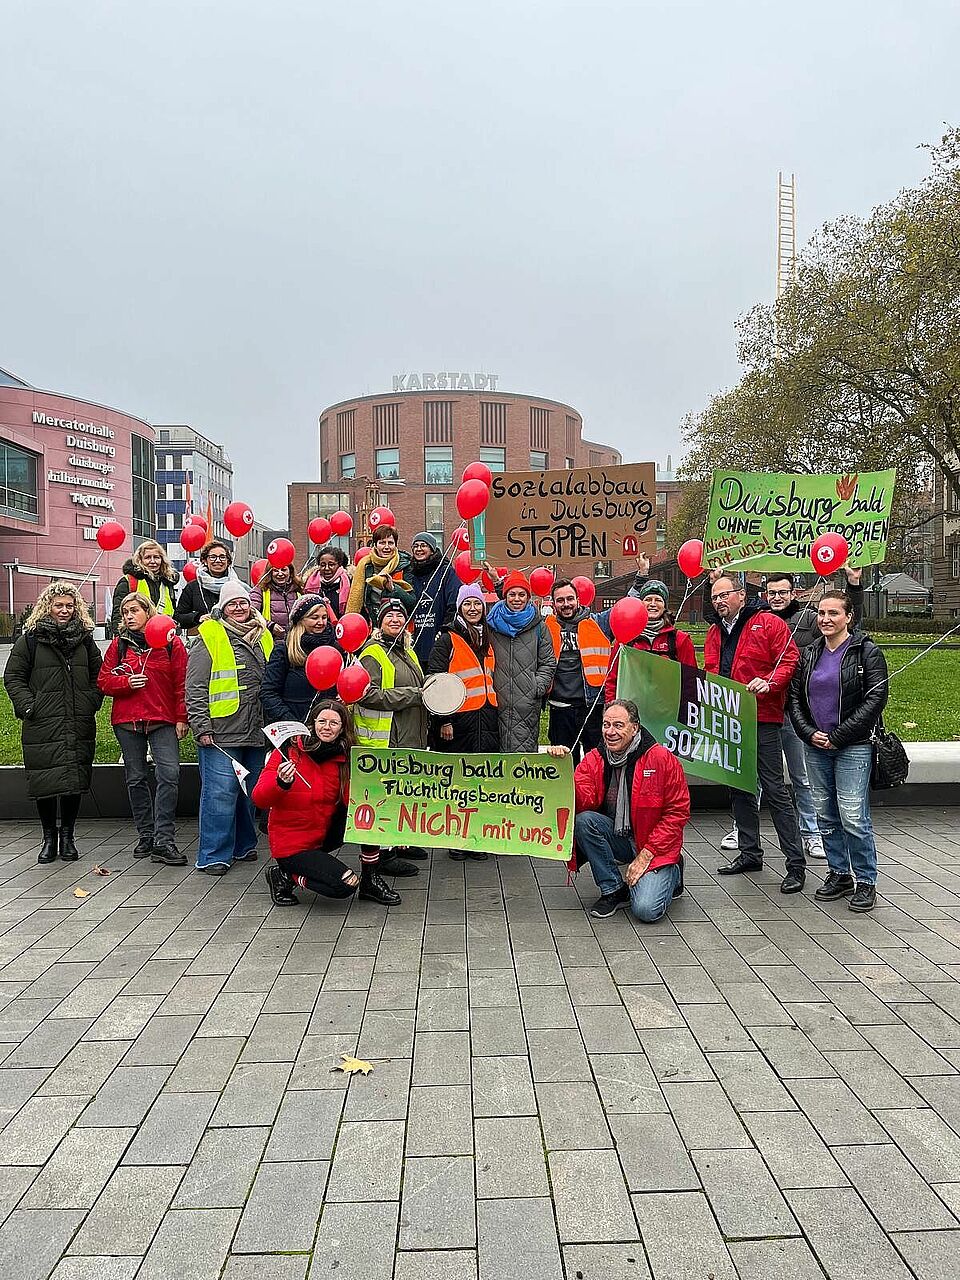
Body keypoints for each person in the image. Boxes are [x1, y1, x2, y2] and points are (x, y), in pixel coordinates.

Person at [704, 575, 806, 893]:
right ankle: (750, 853)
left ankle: (795, 865)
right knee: (739, 788)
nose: (719, 600)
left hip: (763, 717)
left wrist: (770, 682)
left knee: (774, 790)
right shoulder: (713, 632)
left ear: (741, 595)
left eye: (724, 595)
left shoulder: (769, 623)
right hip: (730, 719)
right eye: (714, 596)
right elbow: (710, 669)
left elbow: (789, 659)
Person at [788, 590, 888, 913]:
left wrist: (838, 736)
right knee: (825, 814)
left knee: (853, 816)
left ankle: (866, 881)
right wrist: (809, 733)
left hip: (852, 747)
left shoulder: (866, 652)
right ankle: (839, 873)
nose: (826, 619)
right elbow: (795, 699)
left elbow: (875, 699)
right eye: (821, 613)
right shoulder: (811, 653)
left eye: (833, 613)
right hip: (816, 746)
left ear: (849, 617)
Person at [758, 567, 865, 861]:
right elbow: (716, 616)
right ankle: (743, 831)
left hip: (795, 711)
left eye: (783, 592)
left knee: (801, 777)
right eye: (772, 593)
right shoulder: (756, 620)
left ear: (794, 593)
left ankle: (811, 833)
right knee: (754, 777)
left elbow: (849, 629)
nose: (777, 597)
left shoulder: (810, 618)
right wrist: (712, 584)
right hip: (763, 709)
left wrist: (854, 584)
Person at [253, 699, 397, 907]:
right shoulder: (288, 752)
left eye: (334, 723)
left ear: (342, 729)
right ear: (312, 723)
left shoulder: (346, 757)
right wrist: (280, 783)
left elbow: (354, 801)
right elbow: (259, 798)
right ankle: (284, 875)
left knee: (368, 811)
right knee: (346, 885)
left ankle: (371, 879)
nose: (327, 727)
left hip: (321, 835)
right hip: (291, 844)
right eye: (322, 721)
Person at [563, 698, 690, 922]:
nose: (610, 732)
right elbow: (580, 801)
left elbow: (677, 813)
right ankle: (613, 889)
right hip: (620, 837)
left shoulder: (661, 759)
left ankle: (673, 871)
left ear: (635, 727)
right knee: (584, 821)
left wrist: (646, 855)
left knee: (646, 910)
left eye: (618, 725)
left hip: (654, 845)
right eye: (606, 725)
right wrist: (561, 769)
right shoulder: (595, 758)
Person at [4, 582, 103, 863]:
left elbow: (99, 674)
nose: (64, 611)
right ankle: (48, 837)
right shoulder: (31, 640)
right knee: (45, 781)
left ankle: (68, 837)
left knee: (74, 780)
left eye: (69, 606)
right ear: (47, 607)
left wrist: (90, 701)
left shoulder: (84, 639)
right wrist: (28, 706)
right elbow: (14, 677)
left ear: (77, 609)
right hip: (42, 723)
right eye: (58, 605)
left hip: (77, 720)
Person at [186, 580, 273, 874]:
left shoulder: (263, 636)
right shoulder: (209, 636)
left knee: (249, 792)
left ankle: (244, 845)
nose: (239, 608)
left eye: (243, 602)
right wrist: (201, 726)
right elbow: (195, 687)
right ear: (222, 608)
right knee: (220, 793)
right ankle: (213, 854)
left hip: (256, 728)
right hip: (221, 730)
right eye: (232, 603)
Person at [97, 593, 188, 866]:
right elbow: (103, 681)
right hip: (127, 721)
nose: (128, 616)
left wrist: (182, 718)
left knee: (169, 773)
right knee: (136, 778)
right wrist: (125, 683)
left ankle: (164, 839)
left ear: (148, 612)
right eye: (124, 612)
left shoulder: (171, 644)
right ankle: (146, 835)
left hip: (162, 719)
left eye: (134, 610)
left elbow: (181, 683)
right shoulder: (119, 646)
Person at [353, 597, 428, 882]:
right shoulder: (373, 652)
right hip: (386, 738)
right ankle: (383, 855)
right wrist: (414, 696)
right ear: (379, 623)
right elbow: (366, 694)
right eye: (389, 616)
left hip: (408, 734)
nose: (395, 620)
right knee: (387, 795)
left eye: (400, 616)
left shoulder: (406, 650)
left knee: (403, 791)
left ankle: (399, 842)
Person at [426, 583, 497, 863]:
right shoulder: (448, 638)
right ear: (459, 607)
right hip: (458, 721)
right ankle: (457, 838)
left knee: (480, 781)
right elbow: (435, 679)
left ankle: (476, 837)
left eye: (477, 604)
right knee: (458, 782)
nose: (473, 609)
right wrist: (444, 718)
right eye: (467, 604)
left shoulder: (487, 638)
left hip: (486, 718)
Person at [487, 571, 556, 752]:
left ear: (527, 597)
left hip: (526, 704)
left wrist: (536, 687)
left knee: (523, 761)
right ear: (505, 596)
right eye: (512, 594)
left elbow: (548, 662)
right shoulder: (491, 624)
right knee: (495, 760)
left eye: (521, 594)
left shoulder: (539, 627)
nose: (516, 599)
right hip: (495, 701)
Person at [603, 578, 698, 705]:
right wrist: (611, 709)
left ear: (665, 606)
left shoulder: (679, 640)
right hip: (631, 711)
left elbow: (690, 681)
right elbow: (612, 680)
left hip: (668, 712)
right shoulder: (625, 640)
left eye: (658, 600)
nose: (653, 604)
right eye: (648, 599)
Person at [261, 594, 339, 724]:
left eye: (324, 617)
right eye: (314, 618)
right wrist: (290, 721)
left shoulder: (335, 648)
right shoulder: (284, 650)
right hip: (292, 727)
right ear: (300, 620)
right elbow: (268, 692)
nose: (321, 622)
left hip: (327, 730)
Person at [408, 531, 459, 670]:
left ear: (432, 549)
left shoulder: (445, 571)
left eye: (423, 545)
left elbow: (454, 604)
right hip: (414, 643)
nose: (419, 549)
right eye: (415, 546)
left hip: (437, 642)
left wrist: (445, 631)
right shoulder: (409, 573)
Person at [346, 525, 416, 624]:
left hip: (398, 626)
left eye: (390, 543)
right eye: (382, 543)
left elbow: (412, 603)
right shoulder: (365, 566)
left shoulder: (405, 565)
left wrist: (393, 588)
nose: (386, 547)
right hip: (373, 627)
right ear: (375, 545)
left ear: (395, 545)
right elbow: (359, 601)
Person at [109, 539, 178, 635]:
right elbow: (118, 613)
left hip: (164, 635)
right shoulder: (129, 581)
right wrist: (121, 638)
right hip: (135, 638)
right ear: (140, 560)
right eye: (148, 557)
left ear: (162, 560)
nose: (153, 561)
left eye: (156, 557)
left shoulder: (168, 582)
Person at [174, 540, 242, 634]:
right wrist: (198, 617)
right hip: (202, 641)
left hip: (233, 639)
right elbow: (178, 617)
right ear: (205, 561)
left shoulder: (237, 586)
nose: (218, 560)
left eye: (222, 557)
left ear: (228, 561)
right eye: (213, 557)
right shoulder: (193, 587)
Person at [250, 562, 304, 641]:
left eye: (283, 570)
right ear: (270, 573)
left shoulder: (298, 591)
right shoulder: (260, 590)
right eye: (276, 570)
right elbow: (251, 613)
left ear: (290, 572)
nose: (280, 573)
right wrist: (270, 626)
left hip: (294, 642)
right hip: (269, 641)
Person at [304, 544, 351, 619]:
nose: (326, 568)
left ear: (339, 565)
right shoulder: (309, 584)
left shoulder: (349, 584)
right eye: (322, 565)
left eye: (331, 564)